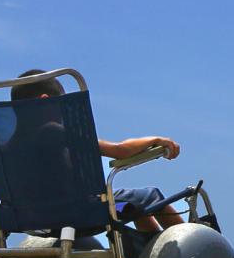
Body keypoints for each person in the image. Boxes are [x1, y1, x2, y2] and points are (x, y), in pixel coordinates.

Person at [10, 69, 183, 233]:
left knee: (130, 207)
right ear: (45, 102)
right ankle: (194, 245)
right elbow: (119, 150)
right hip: (84, 212)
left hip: (41, 219)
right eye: (61, 103)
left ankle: (150, 254)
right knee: (151, 196)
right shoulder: (51, 130)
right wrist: (157, 140)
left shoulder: (9, 146)